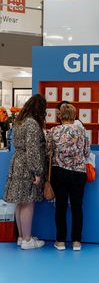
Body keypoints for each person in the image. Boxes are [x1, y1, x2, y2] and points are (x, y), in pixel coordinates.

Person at [4, 94, 47, 250]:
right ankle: (28, 240)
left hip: (17, 162)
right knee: (28, 202)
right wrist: (37, 172)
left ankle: (22, 237)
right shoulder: (32, 124)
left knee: (20, 202)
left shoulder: (20, 121)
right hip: (27, 165)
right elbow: (33, 149)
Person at [47, 103, 90, 251]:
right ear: (74, 115)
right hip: (78, 172)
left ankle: (60, 241)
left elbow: (48, 152)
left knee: (61, 207)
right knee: (77, 207)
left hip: (59, 172)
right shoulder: (82, 131)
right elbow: (86, 153)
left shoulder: (53, 131)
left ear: (60, 115)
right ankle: (77, 241)